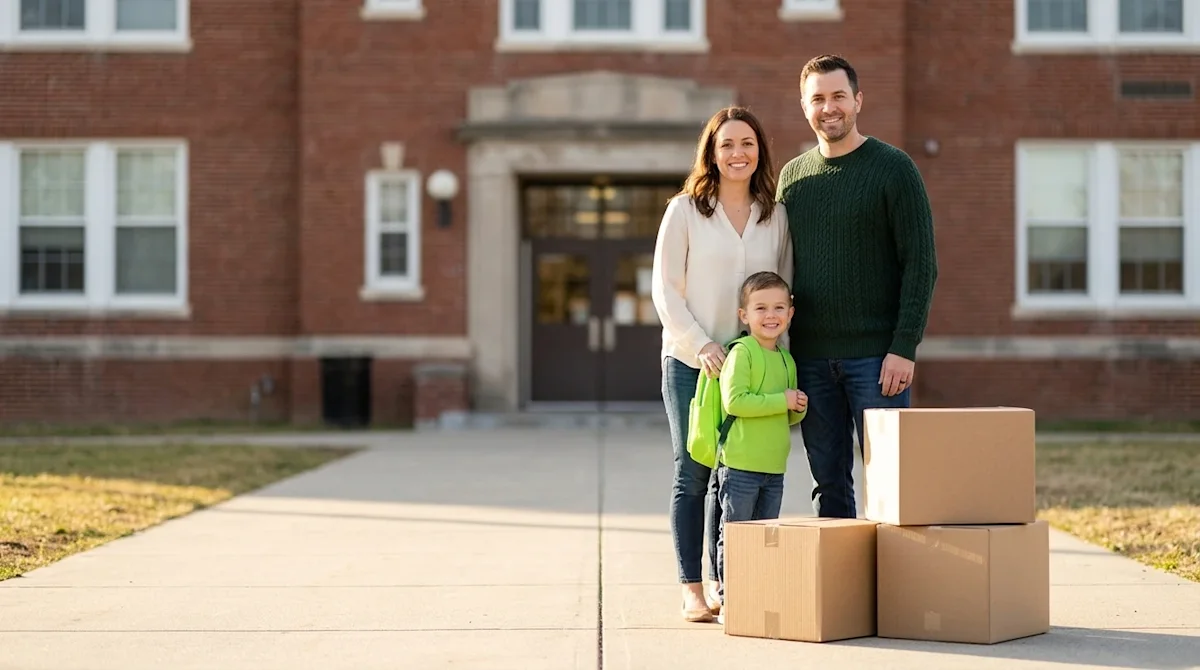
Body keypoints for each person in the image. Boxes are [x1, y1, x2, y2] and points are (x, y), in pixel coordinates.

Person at [776, 54, 938, 519]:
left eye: (838, 96)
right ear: (804, 107)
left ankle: (893, 583)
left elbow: (921, 265)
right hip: (810, 360)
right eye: (818, 99)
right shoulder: (793, 178)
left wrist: (904, 346)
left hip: (877, 359)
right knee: (828, 483)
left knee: (890, 480)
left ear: (858, 100)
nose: (829, 108)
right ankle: (842, 586)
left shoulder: (894, 169)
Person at [652, 106, 793, 623]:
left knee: (734, 478)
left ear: (761, 152)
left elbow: (782, 288)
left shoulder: (774, 215)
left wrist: (774, 357)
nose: (739, 153)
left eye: (748, 144)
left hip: (751, 369)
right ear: (711, 151)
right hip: (693, 362)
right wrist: (700, 344)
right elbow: (665, 289)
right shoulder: (685, 210)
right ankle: (691, 586)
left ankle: (723, 581)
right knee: (693, 472)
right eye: (728, 144)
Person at [713, 271, 807, 618]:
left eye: (779, 308)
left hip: (773, 468)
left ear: (790, 314)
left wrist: (796, 407)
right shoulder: (742, 352)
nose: (771, 315)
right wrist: (781, 400)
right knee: (737, 536)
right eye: (761, 308)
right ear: (744, 315)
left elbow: (786, 417)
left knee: (766, 538)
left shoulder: (786, 358)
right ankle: (731, 599)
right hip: (739, 465)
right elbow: (735, 402)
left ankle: (758, 594)